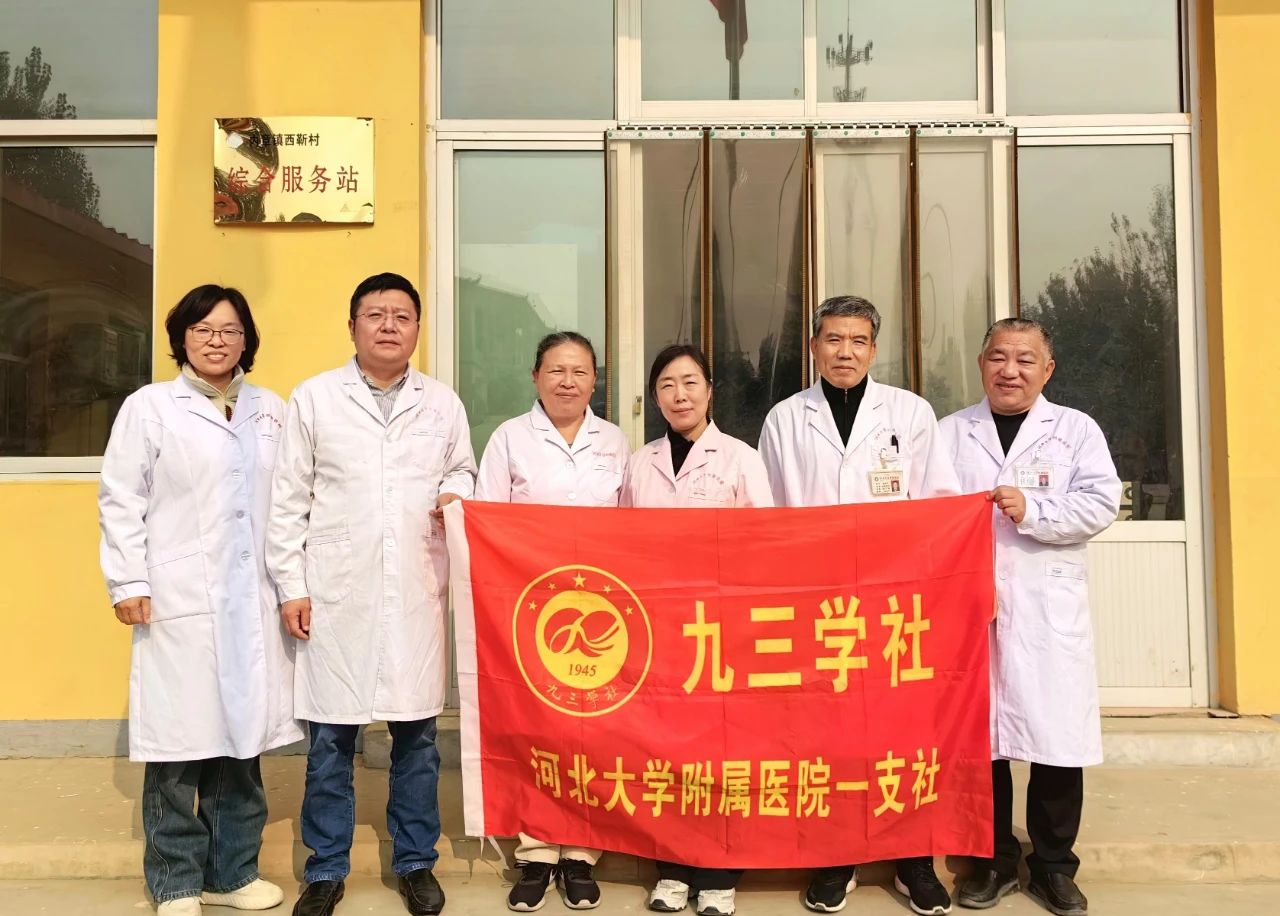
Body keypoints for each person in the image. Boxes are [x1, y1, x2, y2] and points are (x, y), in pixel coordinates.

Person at [268, 273, 475, 916]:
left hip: (415, 588)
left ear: (417, 329)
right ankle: (326, 868)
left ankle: (415, 862)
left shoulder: (442, 403)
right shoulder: (315, 398)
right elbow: (287, 498)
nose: (389, 325)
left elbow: (462, 469)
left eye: (401, 316)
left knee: (417, 739)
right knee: (331, 740)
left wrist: (455, 493)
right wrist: (292, 587)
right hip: (337, 591)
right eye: (375, 314)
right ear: (352, 325)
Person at [99, 284, 300, 916]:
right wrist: (128, 581)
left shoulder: (271, 409)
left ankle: (232, 873)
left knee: (242, 746)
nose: (217, 341)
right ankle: (176, 881)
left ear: (247, 340)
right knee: (178, 750)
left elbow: (291, 499)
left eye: (230, 330)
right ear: (182, 337)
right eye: (203, 329)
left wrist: (293, 583)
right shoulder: (150, 407)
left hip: (253, 599)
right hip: (178, 597)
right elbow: (121, 498)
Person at [758, 295, 960, 916]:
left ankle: (913, 860)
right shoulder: (785, 419)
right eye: (833, 339)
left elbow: (939, 505)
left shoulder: (911, 412)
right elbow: (769, 516)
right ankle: (836, 856)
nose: (845, 352)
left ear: (874, 349)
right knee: (830, 733)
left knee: (903, 731)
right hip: (817, 602)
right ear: (813, 347)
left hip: (896, 602)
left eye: (858, 341)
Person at [939, 318, 1120, 916]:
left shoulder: (1075, 430)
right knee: (982, 742)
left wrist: (1033, 509)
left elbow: (1101, 503)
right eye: (998, 357)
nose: (1009, 370)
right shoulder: (948, 433)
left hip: (1045, 610)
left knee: (1056, 740)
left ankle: (1054, 867)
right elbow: (926, 512)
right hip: (971, 611)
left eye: (1024, 359)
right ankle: (992, 863)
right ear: (981, 364)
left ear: (1048, 369)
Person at [474, 331, 629, 912]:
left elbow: (632, 526)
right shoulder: (510, 438)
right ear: (536, 377)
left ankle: (582, 851)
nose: (568, 382)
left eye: (580, 371)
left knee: (592, 729)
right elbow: (488, 521)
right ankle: (537, 851)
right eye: (556, 370)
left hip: (599, 611)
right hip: (529, 606)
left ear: (595, 380)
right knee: (535, 727)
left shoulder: (614, 441)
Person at [623, 344, 772, 916]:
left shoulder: (740, 459)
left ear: (711, 390)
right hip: (659, 630)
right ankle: (673, 869)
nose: (679, 395)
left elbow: (763, 546)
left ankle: (718, 872)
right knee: (665, 752)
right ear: (655, 396)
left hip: (722, 630)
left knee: (721, 752)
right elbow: (621, 544)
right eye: (667, 385)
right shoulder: (641, 463)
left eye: (690, 382)